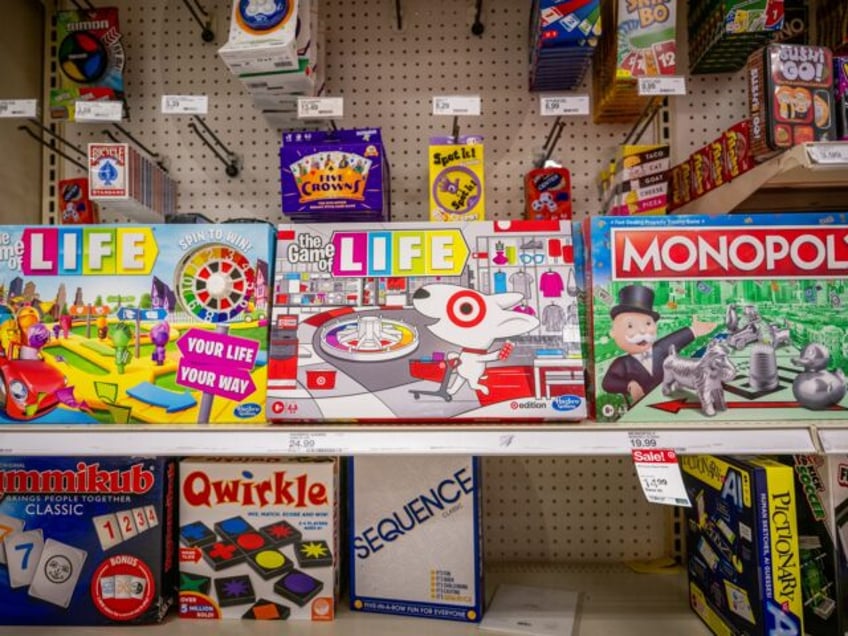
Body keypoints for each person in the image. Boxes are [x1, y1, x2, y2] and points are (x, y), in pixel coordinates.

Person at [602, 284, 717, 404]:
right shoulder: (623, 363)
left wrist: (694, 330)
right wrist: (629, 385)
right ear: (613, 333)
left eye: (647, 324)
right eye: (630, 326)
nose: (642, 331)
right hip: (644, 409)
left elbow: (676, 339)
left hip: (673, 400)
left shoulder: (659, 350)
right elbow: (608, 382)